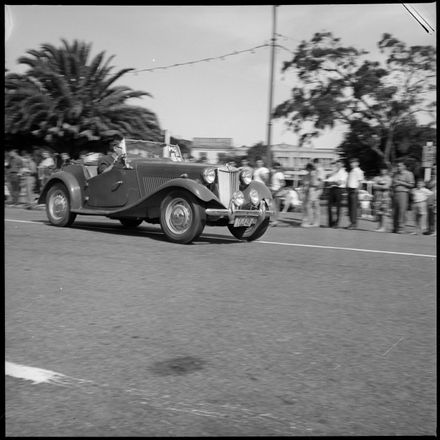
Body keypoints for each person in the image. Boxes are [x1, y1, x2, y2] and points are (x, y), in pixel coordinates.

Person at [391, 160, 415, 234]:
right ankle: (395, 227)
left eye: (400, 166)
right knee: (395, 211)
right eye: (397, 166)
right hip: (395, 193)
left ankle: (401, 228)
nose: (398, 167)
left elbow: (412, 185)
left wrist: (400, 182)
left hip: (403, 193)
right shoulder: (395, 174)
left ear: (404, 166)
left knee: (402, 211)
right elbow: (392, 183)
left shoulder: (409, 174)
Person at [324, 159, 347, 228]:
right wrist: (333, 182)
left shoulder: (344, 173)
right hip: (331, 189)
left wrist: (332, 182)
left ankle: (336, 223)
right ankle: (330, 223)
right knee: (329, 207)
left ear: (342, 165)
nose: (338, 165)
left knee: (338, 208)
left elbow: (339, 183)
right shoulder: (333, 172)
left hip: (339, 190)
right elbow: (328, 182)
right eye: (337, 164)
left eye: (339, 164)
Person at [346, 158, 364, 230]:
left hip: (354, 190)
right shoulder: (351, 171)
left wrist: (357, 191)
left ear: (357, 163)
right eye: (351, 163)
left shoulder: (358, 171)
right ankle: (351, 223)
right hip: (350, 190)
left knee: (353, 208)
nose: (351, 164)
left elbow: (360, 182)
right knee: (350, 208)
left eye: (353, 162)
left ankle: (354, 224)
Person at [372, 166, 392, 232]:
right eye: (382, 169)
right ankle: (379, 226)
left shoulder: (388, 178)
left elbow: (387, 187)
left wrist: (378, 185)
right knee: (378, 212)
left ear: (386, 171)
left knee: (384, 212)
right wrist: (382, 186)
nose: (383, 171)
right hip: (378, 197)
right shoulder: (376, 177)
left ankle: (383, 227)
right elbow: (373, 186)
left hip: (385, 197)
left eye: (384, 169)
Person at [301, 162, 321, 227]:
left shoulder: (316, 175)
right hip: (307, 193)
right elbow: (303, 184)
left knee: (314, 207)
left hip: (314, 192)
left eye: (310, 169)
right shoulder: (305, 176)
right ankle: (307, 221)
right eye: (307, 169)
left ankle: (315, 222)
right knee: (306, 207)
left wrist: (310, 183)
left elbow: (317, 184)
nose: (308, 170)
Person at [269, 162, 286, 226]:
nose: (276, 168)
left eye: (277, 167)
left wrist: (276, 192)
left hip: (277, 192)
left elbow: (283, 184)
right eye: (275, 167)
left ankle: (275, 220)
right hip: (274, 191)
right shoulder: (275, 174)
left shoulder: (279, 174)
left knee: (276, 207)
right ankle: (274, 220)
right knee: (273, 207)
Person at [425, 165, 436, 236]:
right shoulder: (432, 177)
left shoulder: (433, 179)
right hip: (431, 198)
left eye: (435, 169)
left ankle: (435, 231)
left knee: (435, 216)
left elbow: (431, 185)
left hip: (435, 198)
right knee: (430, 215)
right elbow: (428, 186)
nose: (433, 170)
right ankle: (430, 230)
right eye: (433, 169)